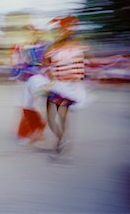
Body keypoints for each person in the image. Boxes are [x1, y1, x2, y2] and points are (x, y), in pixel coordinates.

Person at [43, 15, 88, 158]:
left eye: (64, 30)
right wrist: (49, 80)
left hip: (69, 87)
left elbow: (81, 67)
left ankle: (60, 143)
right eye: (59, 30)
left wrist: (74, 82)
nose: (61, 33)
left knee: (62, 116)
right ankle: (60, 139)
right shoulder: (52, 48)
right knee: (50, 118)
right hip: (55, 86)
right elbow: (47, 65)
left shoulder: (76, 47)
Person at [16, 25, 50, 145]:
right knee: (26, 106)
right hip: (30, 79)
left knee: (36, 105)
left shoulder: (45, 46)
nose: (28, 35)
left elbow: (49, 62)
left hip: (41, 79)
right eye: (26, 33)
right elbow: (21, 64)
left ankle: (33, 132)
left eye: (31, 33)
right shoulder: (24, 47)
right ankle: (35, 130)